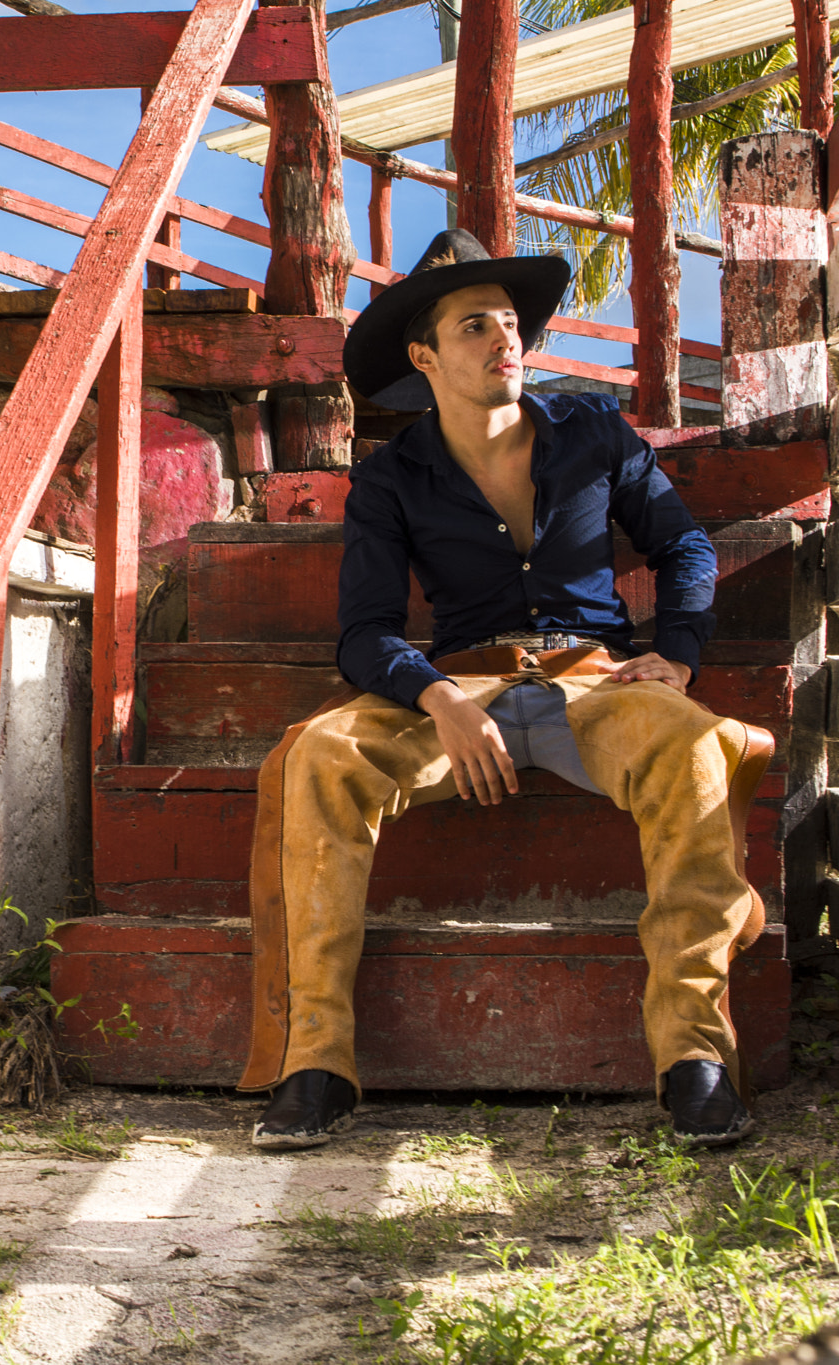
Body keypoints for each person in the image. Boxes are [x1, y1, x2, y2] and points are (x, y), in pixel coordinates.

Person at [239, 229, 774, 1151]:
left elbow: (684, 547)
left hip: (596, 681)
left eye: (512, 323)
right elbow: (364, 634)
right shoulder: (392, 477)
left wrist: (677, 657)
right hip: (463, 686)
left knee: (692, 743)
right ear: (425, 355)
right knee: (320, 756)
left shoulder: (594, 435)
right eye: (475, 324)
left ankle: (694, 1059)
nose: (505, 339)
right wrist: (438, 698)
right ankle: (315, 1064)